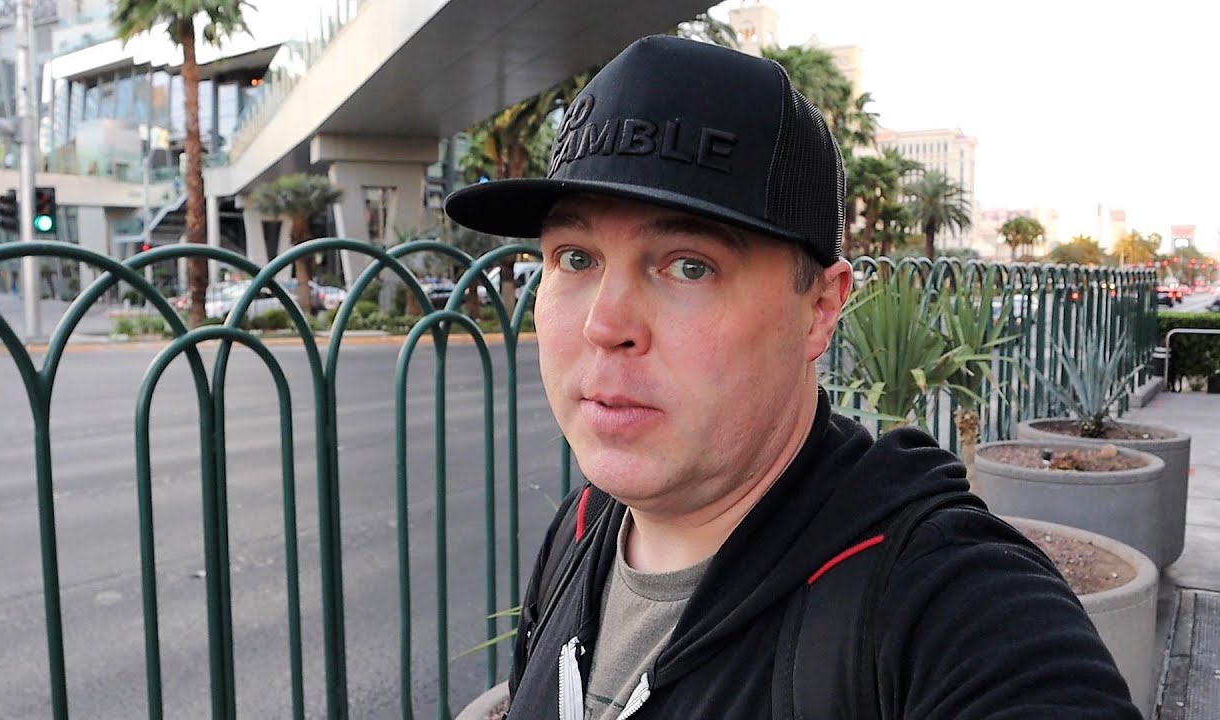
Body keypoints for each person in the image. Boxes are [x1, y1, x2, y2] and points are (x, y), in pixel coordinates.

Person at [445, 35, 1138, 720]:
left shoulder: (942, 602)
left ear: (820, 309)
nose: (606, 324)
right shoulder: (582, 531)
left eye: (689, 266)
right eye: (574, 258)